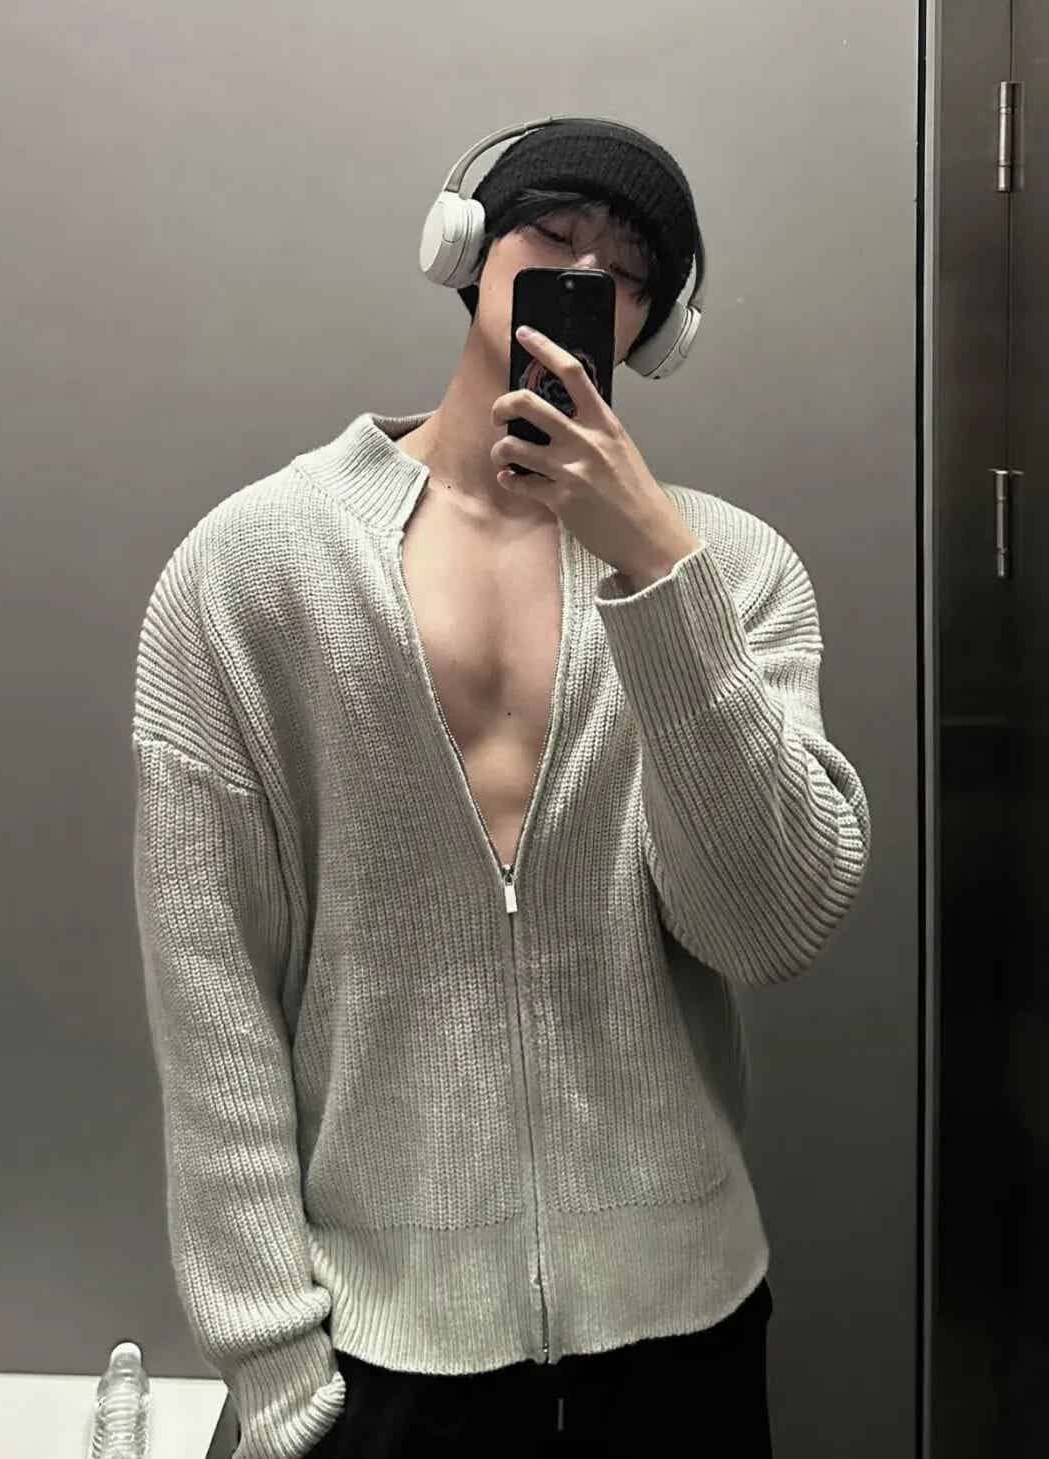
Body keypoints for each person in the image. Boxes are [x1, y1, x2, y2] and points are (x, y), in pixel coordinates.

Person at [131, 119, 871, 1459]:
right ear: (466, 246)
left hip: (682, 1327)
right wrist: (270, 1352)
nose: (584, 272)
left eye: (627, 268)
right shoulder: (255, 568)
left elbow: (767, 926)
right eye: (554, 231)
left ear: (652, 327)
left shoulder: (732, 572)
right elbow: (207, 974)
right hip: (379, 1344)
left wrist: (659, 572)